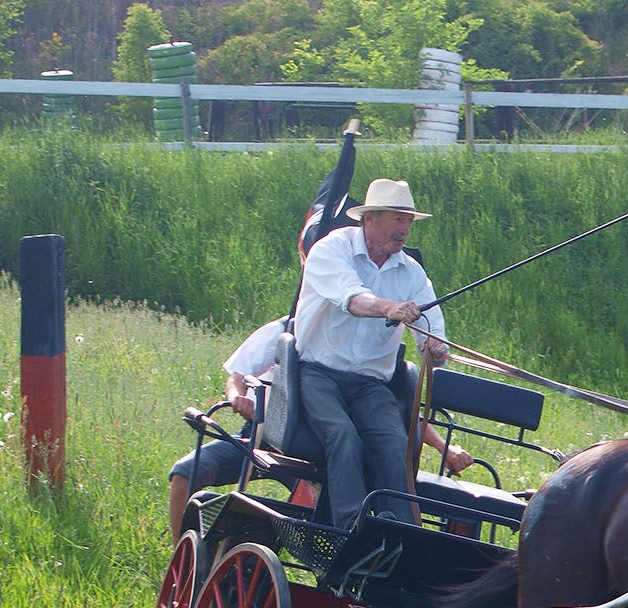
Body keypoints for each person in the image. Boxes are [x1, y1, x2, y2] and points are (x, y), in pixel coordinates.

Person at [167, 315, 470, 542]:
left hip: (322, 448)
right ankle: (180, 562)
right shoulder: (283, 330)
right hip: (262, 436)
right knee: (184, 473)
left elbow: (399, 415)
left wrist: (446, 448)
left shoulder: (361, 352)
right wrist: (239, 398)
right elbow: (238, 376)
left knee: (317, 505)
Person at [292, 177, 449, 528]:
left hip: (370, 385)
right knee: (343, 436)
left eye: (409, 220)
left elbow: (433, 334)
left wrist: (435, 349)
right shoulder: (331, 250)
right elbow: (352, 298)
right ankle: (350, 530)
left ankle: (403, 532)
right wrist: (389, 308)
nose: (405, 228)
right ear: (369, 219)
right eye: (398, 218)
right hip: (318, 374)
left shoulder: (412, 273)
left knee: (396, 442)